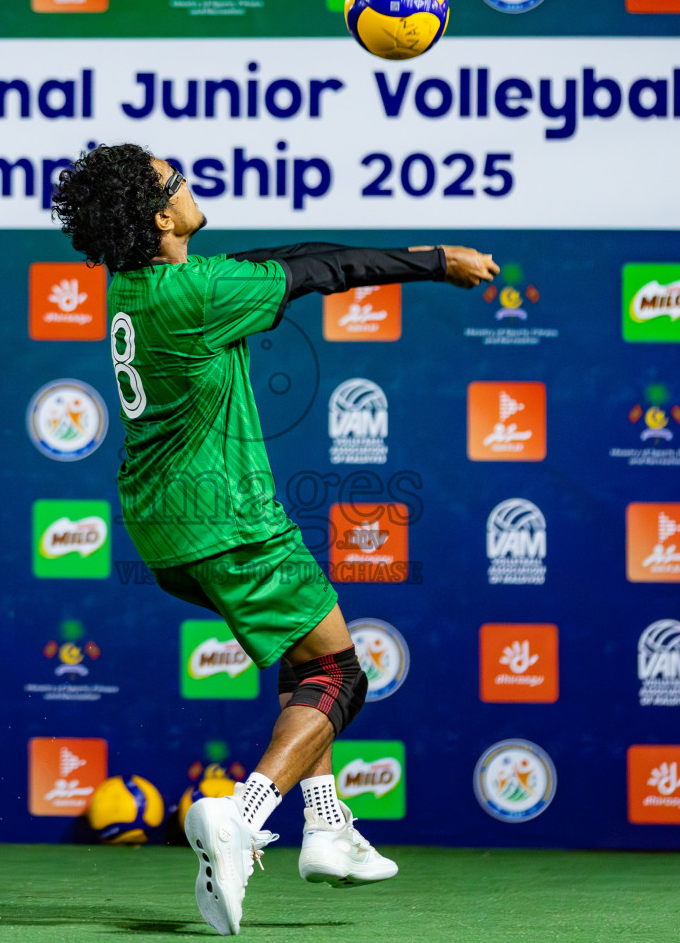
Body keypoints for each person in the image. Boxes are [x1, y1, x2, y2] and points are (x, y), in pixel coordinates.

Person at [51, 143, 497, 936]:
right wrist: (435, 260)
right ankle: (245, 815)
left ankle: (327, 829)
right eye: (175, 179)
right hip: (229, 519)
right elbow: (329, 272)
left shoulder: (142, 284)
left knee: (300, 655)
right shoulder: (200, 291)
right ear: (161, 217)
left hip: (164, 527)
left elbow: (285, 258)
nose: (189, 183)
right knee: (339, 673)